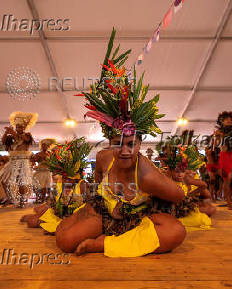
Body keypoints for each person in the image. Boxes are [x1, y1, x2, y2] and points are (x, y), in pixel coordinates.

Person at [54, 29, 186, 257]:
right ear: (109, 142)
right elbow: (96, 183)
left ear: (140, 144)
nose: (124, 151)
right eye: (118, 143)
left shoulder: (147, 175)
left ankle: (104, 244)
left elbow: (179, 197)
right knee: (64, 240)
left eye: (131, 144)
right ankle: (111, 234)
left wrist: (156, 199)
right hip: (105, 213)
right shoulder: (103, 158)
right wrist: (91, 209)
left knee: (176, 232)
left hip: (138, 219)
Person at [21, 137, 91, 232]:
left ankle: (52, 223)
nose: (66, 180)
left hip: (74, 216)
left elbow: (88, 207)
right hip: (59, 213)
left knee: (37, 221)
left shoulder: (82, 185)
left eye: (68, 178)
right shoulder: (60, 182)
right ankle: (40, 216)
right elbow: (55, 200)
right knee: (33, 219)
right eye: (64, 177)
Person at [0, 112, 37, 208]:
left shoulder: (27, 135)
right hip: (12, 161)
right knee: (3, 179)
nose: (19, 128)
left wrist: (13, 132)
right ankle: (10, 198)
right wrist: (6, 133)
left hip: (22, 161)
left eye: (20, 127)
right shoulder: (11, 136)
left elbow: (23, 140)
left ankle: (22, 200)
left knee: (21, 181)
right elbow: (3, 141)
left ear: (24, 128)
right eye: (17, 126)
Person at [31, 138, 56, 204]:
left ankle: (42, 199)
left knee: (45, 186)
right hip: (40, 171)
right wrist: (35, 161)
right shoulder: (38, 154)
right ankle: (37, 198)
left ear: (48, 146)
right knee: (36, 186)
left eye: (45, 145)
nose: (44, 146)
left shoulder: (50, 154)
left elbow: (53, 163)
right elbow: (33, 161)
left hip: (47, 171)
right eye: (43, 145)